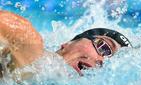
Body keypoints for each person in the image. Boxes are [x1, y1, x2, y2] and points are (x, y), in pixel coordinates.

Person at [0, 10, 132, 79]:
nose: (103, 61)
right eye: (104, 48)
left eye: (111, 63)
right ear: (68, 43)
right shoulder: (34, 57)